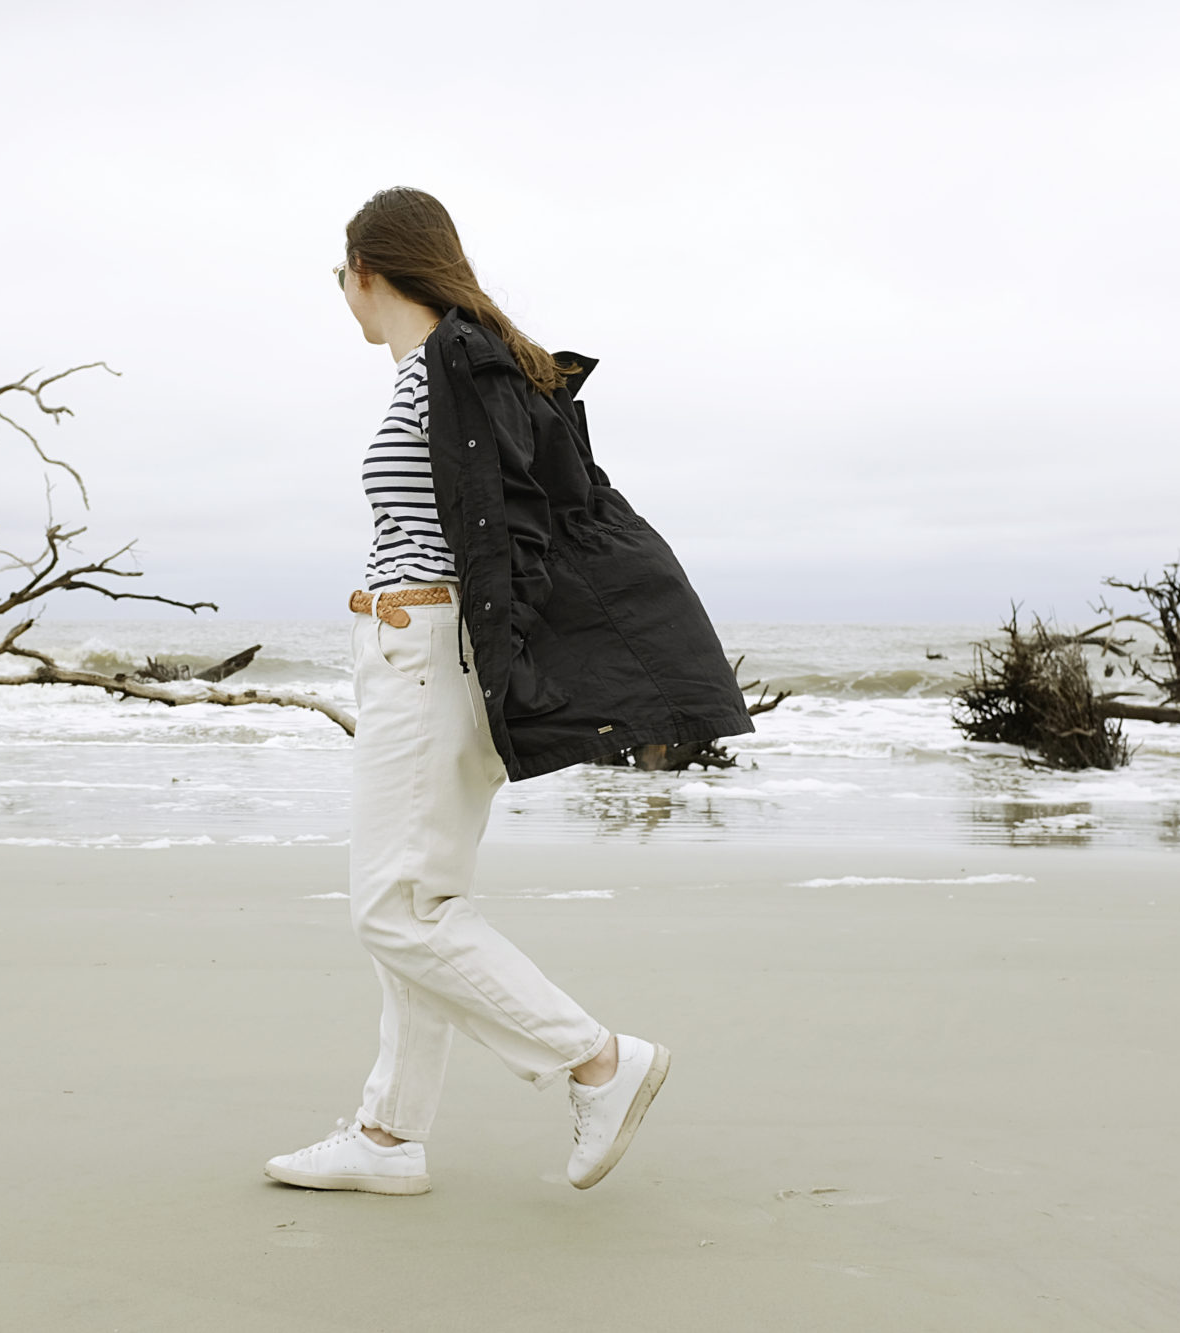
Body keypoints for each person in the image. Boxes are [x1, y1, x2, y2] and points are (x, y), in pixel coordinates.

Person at [264, 187, 754, 1196]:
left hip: (425, 658)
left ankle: (596, 1061)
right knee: (421, 900)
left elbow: (524, 527)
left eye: (337, 278)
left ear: (365, 268)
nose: (340, 297)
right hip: (413, 650)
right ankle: (386, 1137)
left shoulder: (456, 360)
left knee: (393, 910)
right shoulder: (448, 364)